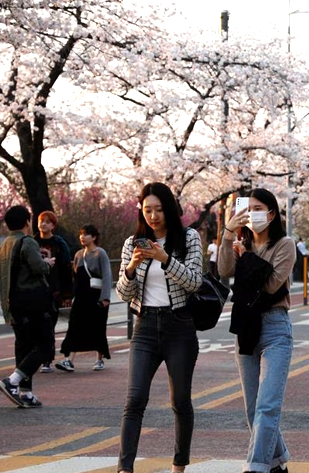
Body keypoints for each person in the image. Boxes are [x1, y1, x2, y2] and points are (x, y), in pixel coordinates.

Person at [116, 182, 203, 473]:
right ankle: (124, 469)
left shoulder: (189, 238)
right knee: (134, 400)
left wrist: (165, 259)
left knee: (180, 400)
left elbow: (193, 281)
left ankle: (179, 466)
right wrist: (131, 268)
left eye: (159, 209)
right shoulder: (133, 243)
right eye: (147, 210)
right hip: (144, 327)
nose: (153, 216)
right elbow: (123, 294)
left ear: (168, 209)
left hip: (179, 326)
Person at [218, 188, 296, 473]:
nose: (251, 213)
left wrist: (247, 259)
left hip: (275, 327)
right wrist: (228, 234)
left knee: (267, 405)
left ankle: (256, 467)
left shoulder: (285, 244)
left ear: (271, 213)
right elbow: (224, 270)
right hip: (246, 326)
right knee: (253, 408)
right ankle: (277, 461)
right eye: (247, 208)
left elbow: (272, 284)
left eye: (257, 207)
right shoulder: (241, 242)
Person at [0, 205, 55, 408]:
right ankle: (11, 381)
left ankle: (25, 392)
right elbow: (38, 268)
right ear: (27, 222)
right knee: (45, 348)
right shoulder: (27, 242)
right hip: (34, 302)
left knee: (24, 347)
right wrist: (49, 263)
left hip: (14, 304)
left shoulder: (2, 247)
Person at [54, 225, 112, 372]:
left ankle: (99, 359)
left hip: (96, 297)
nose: (82, 237)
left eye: (86, 234)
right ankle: (68, 360)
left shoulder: (101, 253)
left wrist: (105, 297)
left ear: (93, 237)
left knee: (98, 327)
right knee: (74, 326)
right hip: (81, 297)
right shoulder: (78, 255)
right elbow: (76, 277)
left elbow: (107, 276)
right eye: (81, 234)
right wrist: (71, 296)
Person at [34, 210, 73, 373]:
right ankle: (35, 358)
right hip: (35, 290)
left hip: (54, 291)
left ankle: (47, 360)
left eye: (48, 222)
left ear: (53, 225)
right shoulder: (31, 241)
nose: (44, 224)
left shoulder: (59, 243)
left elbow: (66, 269)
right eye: (41, 221)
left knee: (49, 326)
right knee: (36, 326)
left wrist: (67, 294)